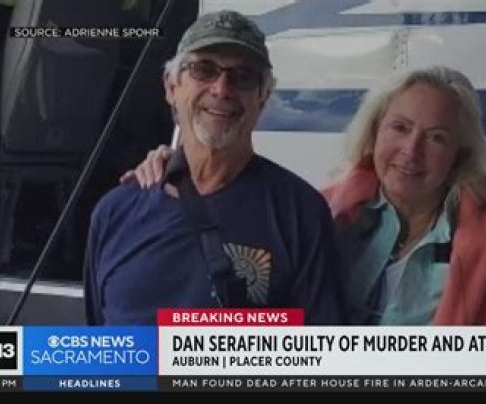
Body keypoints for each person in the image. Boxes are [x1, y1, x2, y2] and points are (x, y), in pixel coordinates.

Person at [124, 66, 486, 326]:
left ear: (460, 154)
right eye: (399, 128)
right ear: (374, 133)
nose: (411, 151)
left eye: (436, 137)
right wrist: (177, 167)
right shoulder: (327, 214)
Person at [85, 10, 346, 325]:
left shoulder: (300, 214)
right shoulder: (114, 212)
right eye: (203, 69)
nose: (221, 89)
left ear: (263, 97)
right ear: (171, 86)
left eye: (243, 76)